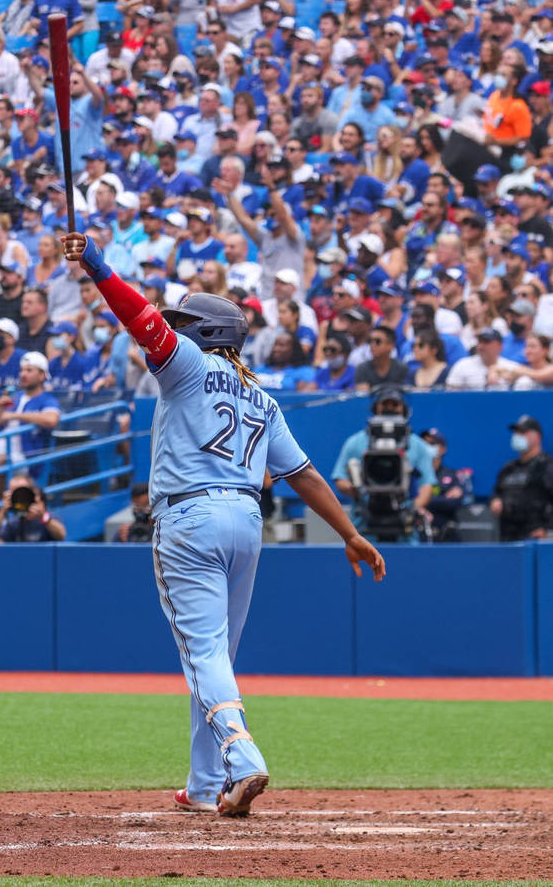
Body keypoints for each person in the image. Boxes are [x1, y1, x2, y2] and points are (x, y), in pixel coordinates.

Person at [62, 230, 384, 816]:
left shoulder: (186, 364)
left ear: (204, 333)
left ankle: (243, 757)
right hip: (245, 521)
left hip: (189, 518)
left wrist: (97, 265)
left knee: (203, 652)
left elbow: (140, 318)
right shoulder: (261, 396)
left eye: (185, 322)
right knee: (215, 657)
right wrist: (350, 532)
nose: (174, 327)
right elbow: (304, 475)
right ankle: (206, 786)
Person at [331, 386, 437, 543]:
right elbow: (340, 478)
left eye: (395, 405)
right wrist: (356, 489)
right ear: (375, 408)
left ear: (404, 409)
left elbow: (427, 486)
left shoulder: (417, 445)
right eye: (385, 404)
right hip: (365, 525)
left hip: (404, 527)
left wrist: (412, 509)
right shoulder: (355, 442)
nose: (390, 409)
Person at [490, 415, 553, 541]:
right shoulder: (509, 468)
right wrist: (495, 501)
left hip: (535, 537)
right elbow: (496, 492)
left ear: (538, 437)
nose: (517, 436)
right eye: (516, 432)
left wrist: (548, 530)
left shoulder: (547, 466)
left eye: (523, 432)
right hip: (508, 537)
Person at [0, 472, 66, 543]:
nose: (19, 496)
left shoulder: (48, 518)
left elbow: (61, 536)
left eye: (22, 491)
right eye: (14, 492)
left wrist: (43, 517)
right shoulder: (13, 524)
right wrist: (2, 511)